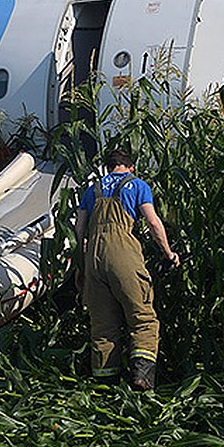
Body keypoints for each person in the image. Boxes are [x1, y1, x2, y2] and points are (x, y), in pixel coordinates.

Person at [75, 148, 179, 391]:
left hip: (94, 258)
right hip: (123, 254)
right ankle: (141, 378)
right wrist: (168, 253)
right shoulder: (138, 185)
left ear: (108, 167)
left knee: (102, 326)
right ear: (131, 166)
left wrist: (82, 265)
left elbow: (79, 230)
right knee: (142, 318)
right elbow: (152, 222)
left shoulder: (92, 190)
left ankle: (104, 387)